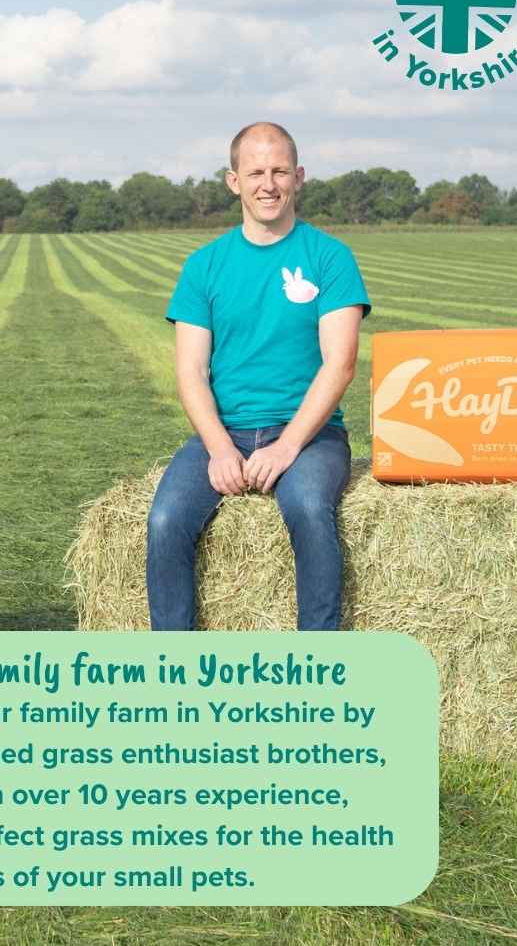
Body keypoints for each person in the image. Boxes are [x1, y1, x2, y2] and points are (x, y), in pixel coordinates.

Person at [147, 122, 370, 631]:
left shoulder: (330, 258)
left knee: (309, 508)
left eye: (279, 171)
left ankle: (317, 665)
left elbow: (341, 364)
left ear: (300, 177)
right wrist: (221, 448)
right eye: (255, 172)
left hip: (311, 435)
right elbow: (191, 371)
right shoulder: (204, 266)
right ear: (233, 181)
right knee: (165, 521)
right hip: (224, 433)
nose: (267, 184)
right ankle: (170, 669)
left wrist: (288, 446)